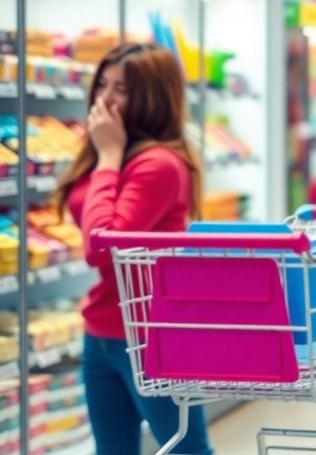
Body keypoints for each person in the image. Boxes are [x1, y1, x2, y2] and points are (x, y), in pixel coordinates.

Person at [55, 43, 211, 455]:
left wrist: (107, 155)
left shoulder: (157, 163)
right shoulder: (112, 151)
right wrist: (106, 154)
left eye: (121, 89)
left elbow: (101, 246)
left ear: (154, 96)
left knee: (186, 450)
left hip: (153, 336)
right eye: (102, 84)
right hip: (101, 331)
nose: (104, 98)